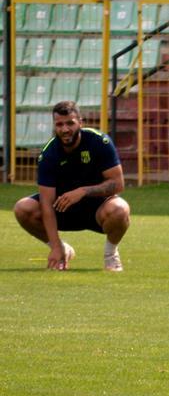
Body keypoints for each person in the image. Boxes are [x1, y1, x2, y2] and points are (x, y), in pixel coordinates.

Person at [13, 100, 130, 272]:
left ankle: (110, 254)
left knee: (120, 210)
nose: (65, 129)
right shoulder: (49, 154)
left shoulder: (99, 142)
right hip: (62, 209)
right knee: (22, 208)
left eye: (70, 123)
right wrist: (55, 246)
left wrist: (82, 191)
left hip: (97, 208)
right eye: (59, 124)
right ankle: (62, 248)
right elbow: (46, 203)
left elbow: (118, 184)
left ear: (80, 123)